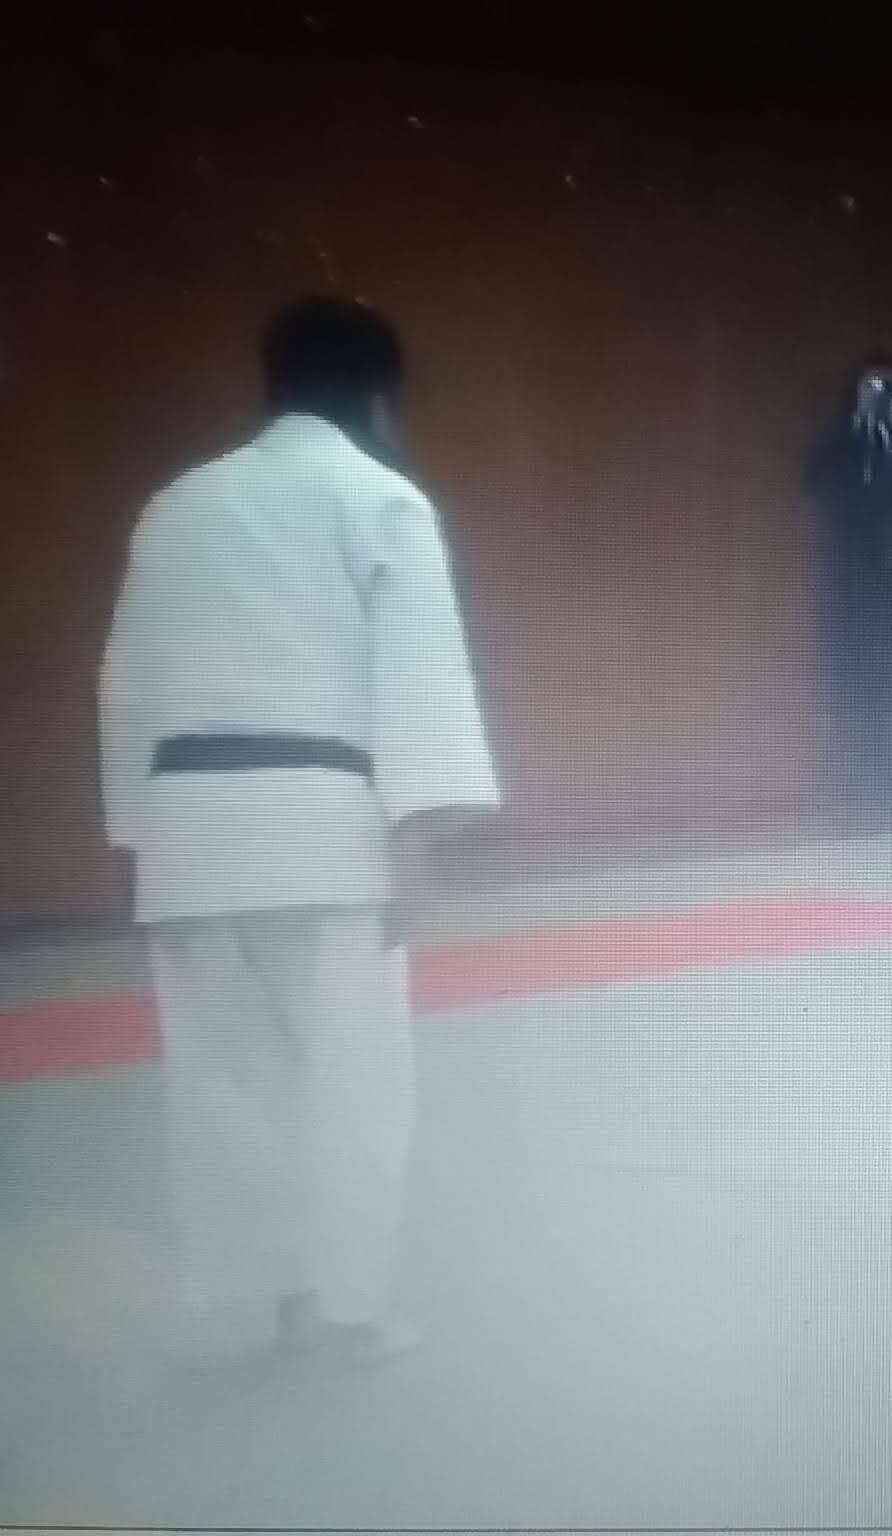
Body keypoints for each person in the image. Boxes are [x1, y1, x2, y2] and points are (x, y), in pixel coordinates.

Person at [98, 298, 499, 1368]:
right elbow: (420, 671)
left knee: (228, 1088)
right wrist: (419, 836)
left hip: (189, 832)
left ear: (274, 386)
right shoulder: (379, 497)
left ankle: (270, 1295)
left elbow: (125, 685)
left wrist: (136, 838)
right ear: (381, 398)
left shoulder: (174, 507)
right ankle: (347, 1309)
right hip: (321, 832)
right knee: (354, 1088)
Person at [805, 357, 892, 815]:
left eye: (889, 389)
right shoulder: (845, 445)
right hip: (852, 587)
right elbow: (813, 477)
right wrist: (854, 426)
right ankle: (858, 788)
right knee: (854, 685)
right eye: (871, 388)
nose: (881, 398)